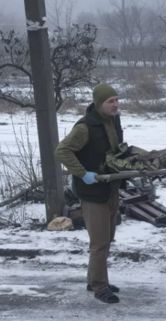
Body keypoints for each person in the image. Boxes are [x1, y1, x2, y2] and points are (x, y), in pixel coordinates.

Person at [55, 83, 123, 304]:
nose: (115, 105)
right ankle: (99, 287)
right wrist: (83, 173)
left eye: (116, 100)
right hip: (92, 192)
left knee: (107, 238)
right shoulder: (85, 127)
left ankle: (94, 278)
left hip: (110, 187)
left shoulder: (113, 121)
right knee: (99, 242)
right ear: (98, 103)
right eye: (109, 101)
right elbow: (62, 151)